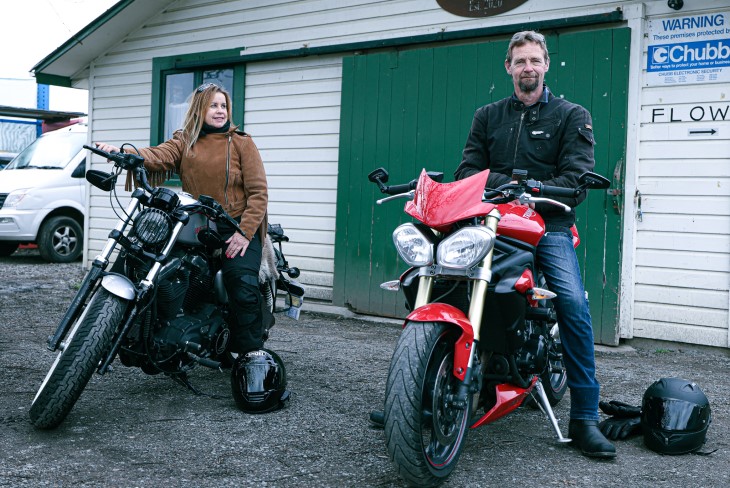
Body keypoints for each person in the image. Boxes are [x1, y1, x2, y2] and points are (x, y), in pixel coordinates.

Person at [454, 31, 616, 459]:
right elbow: (469, 169)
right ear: (508, 67)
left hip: (549, 224)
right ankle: (416, 388)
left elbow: (576, 181)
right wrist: (507, 185)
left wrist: (535, 188)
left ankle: (584, 417)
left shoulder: (571, 115)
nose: (527, 67)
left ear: (547, 65)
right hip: (492, 219)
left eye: (534, 60)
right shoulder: (487, 115)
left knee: (573, 304)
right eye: (519, 61)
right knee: (443, 277)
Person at [95, 82, 269, 355]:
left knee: (242, 285)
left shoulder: (242, 143)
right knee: (146, 258)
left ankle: (250, 356)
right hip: (196, 222)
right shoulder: (185, 140)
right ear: (200, 109)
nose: (220, 111)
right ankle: (110, 326)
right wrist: (125, 153)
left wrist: (244, 232)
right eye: (213, 105)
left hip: (234, 224)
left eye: (223, 106)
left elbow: (258, 193)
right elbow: (159, 155)